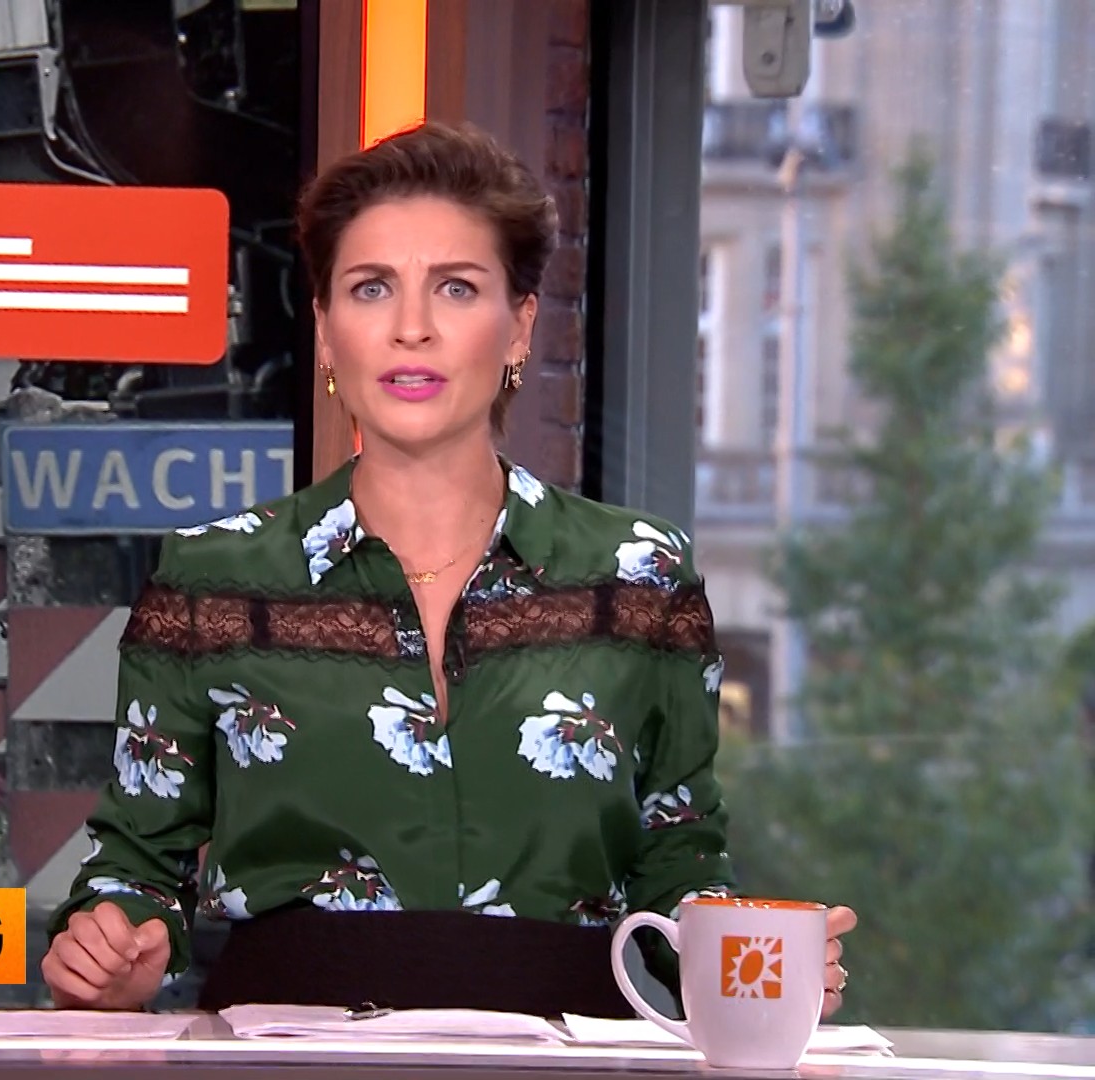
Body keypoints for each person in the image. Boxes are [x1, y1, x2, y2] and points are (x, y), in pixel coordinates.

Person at [42, 121, 856, 1016]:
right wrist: (113, 948)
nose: (412, 329)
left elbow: (680, 859)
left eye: (456, 288)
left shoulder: (641, 577)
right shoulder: (211, 577)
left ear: (519, 327)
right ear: (325, 330)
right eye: (371, 288)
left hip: (569, 1058)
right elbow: (134, 868)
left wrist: (756, 967)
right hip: (289, 1059)